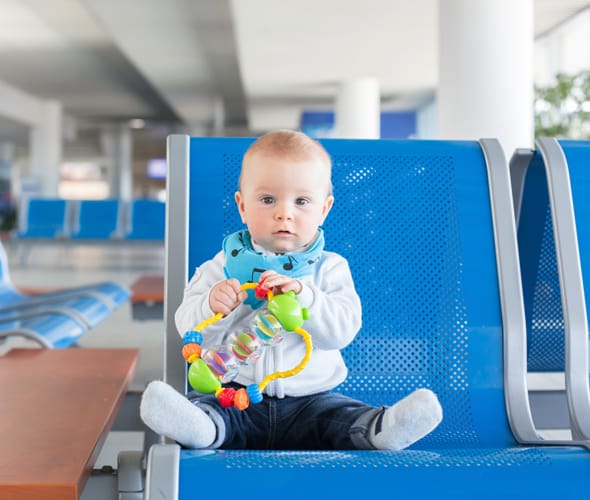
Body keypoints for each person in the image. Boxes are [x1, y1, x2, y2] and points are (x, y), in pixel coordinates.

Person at [140, 130, 442, 450]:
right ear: (242, 206)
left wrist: (304, 296)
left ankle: (380, 428)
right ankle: (200, 428)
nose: (284, 213)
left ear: (323, 210)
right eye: (268, 199)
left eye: (301, 201)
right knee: (213, 410)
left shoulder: (330, 268)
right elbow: (187, 327)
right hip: (236, 394)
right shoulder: (220, 268)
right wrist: (211, 306)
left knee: (341, 416)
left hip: (311, 401)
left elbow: (342, 331)